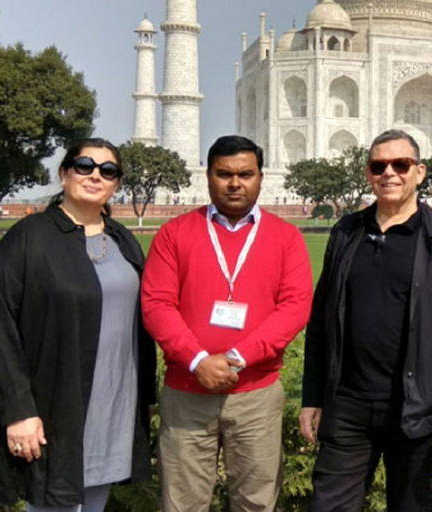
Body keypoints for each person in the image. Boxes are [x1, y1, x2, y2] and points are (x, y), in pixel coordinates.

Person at [300, 129, 432, 511]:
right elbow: (322, 321)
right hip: (349, 404)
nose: (389, 173)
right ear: (368, 173)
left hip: (421, 406)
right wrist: (313, 396)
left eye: (400, 164)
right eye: (378, 165)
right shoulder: (347, 233)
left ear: (419, 172)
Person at [0, 138, 157, 511]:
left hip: (112, 405)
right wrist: (18, 411)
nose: (95, 176)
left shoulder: (123, 241)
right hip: (54, 407)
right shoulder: (28, 239)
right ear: (64, 174)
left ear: (116, 184)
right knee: (53, 501)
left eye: (108, 171)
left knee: (93, 501)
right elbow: (0, 332)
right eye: (84, 166)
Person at [141, 135, 313, 512]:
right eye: (225, 174)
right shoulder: (176, 233)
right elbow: (157, 304)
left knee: (256, 502)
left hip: (255, 393)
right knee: (182, 502)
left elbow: (295, 308)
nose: (235, 183)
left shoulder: (286, 238)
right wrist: (198, 360)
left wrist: (236, 357)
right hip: (187, 391)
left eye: (245, 174)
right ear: (208, 176)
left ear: (260, 177)